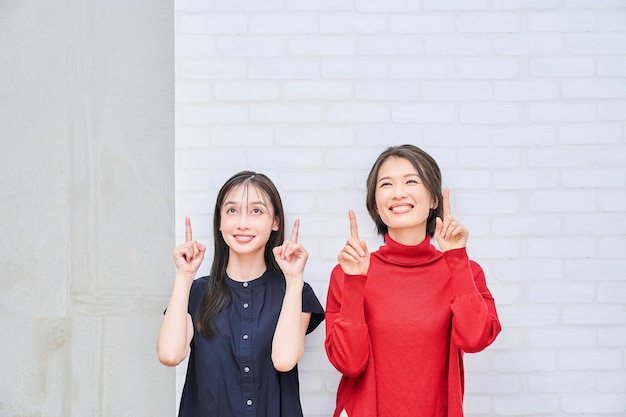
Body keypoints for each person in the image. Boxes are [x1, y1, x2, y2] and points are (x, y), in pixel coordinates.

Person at [325, 145, 501, 417]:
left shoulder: (465, 271)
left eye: (411, 181)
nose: (398, 193)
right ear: (375, 203)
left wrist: (456, 259)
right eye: (386, 184)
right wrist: (355, 282)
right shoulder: (347, 273)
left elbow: (474, 339)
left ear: (433, 199)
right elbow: (349, 363)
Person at [157, 170, 324, 417]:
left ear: (275, 222)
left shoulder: (294, 291)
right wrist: (183, 276)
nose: (242, 223)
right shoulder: (196, 293)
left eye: (256, 211)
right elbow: (170, 355)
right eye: (232, 211)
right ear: (220, 222)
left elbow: (284, 359)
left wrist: (294, 279)